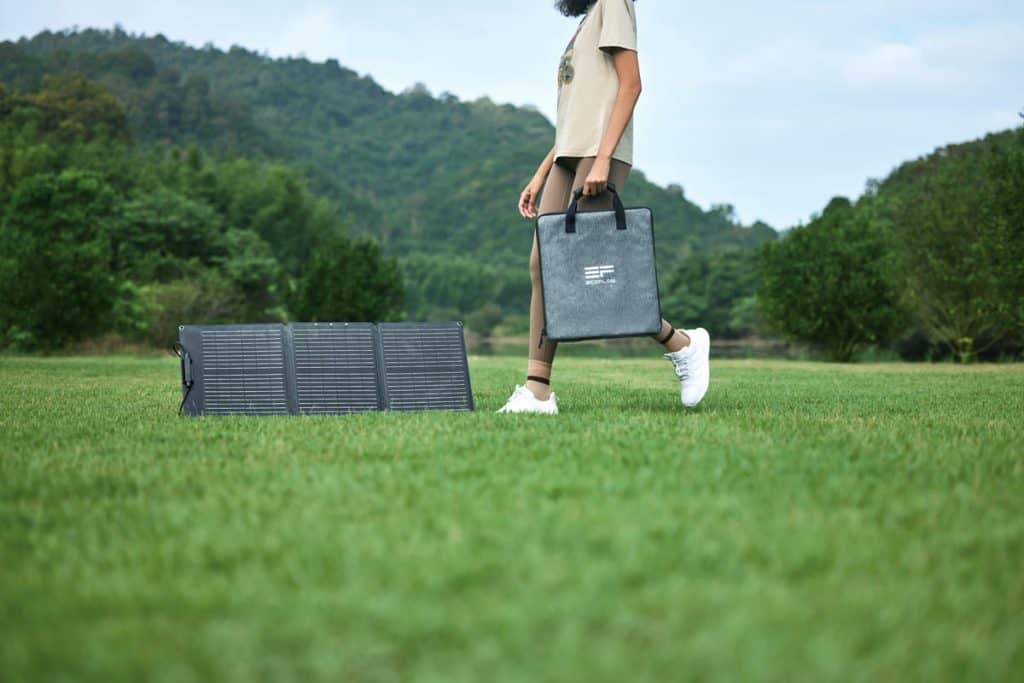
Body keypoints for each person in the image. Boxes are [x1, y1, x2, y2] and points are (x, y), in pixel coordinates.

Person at [497, 0, 710, 415]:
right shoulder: (586, 22)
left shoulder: (614, 2)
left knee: (592, 271)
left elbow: (631, 84)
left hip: (600, 156)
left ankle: (683, 345)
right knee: (543, 266)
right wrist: (541, 174)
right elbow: (577, 117)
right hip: (568, 156)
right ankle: (537, 391)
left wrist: (602, 158)